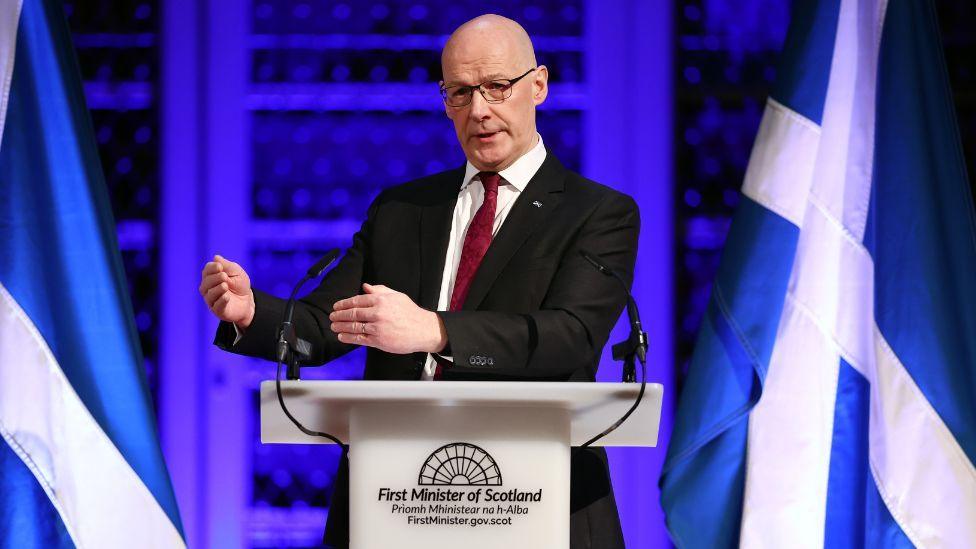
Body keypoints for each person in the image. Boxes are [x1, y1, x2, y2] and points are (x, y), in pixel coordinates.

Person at [199, 14, 638, 549]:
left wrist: (435, 332)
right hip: (396, 500)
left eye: (497, 87)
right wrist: (251, 313)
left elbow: (569, 337)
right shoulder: (403, 210)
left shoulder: (599, 213)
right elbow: (325, 324)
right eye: (459, 93)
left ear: (538, 85)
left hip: (536, 500)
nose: (479, 110)